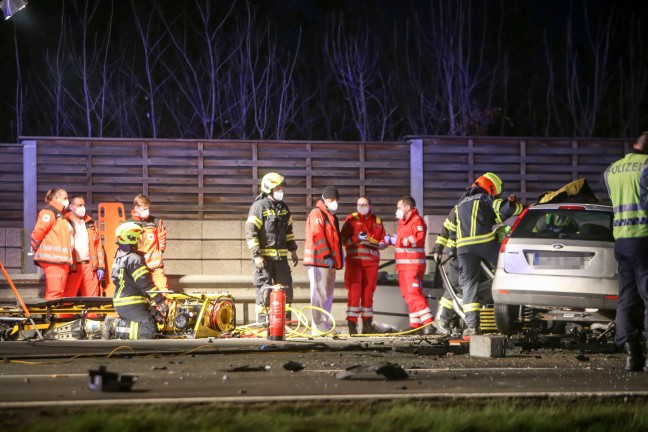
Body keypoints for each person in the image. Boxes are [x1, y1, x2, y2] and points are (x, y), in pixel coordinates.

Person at [454, 172, 524, 338]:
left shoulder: (460, 204)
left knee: (468, 286)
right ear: (490, 188)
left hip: (463, 249)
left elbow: (451, 227)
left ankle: (472, 327)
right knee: (508, 270)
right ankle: (517, 307)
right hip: (484, 242)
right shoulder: (486, 199)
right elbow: (504, 209)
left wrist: (447, 249)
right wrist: (516, 204)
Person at [604, 131, 648, 372]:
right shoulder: (647, 166)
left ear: (634, 146)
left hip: (621, 241)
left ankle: (632, 354)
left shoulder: (612, 170)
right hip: (644, 239)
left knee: (627, 298)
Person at [245, 172, 299, 323]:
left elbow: (288, 231)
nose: (281, 191)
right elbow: (251, 233)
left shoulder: (283, 208)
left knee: (286, 291)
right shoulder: (258, 207)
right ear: (269, 188)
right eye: (278, 188)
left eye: (281, 188)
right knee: (264, 291)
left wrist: (293, 250)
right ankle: (263, 324)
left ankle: (285, 323)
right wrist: (257, 255)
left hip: (281, 259)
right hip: (265, 260)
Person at [104, 222, 166, 340]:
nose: (140, 242)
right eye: (137, 238)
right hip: (131, 303)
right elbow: (145, 284)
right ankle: (115, 327)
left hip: (123, 302)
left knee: (152, 319)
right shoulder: (134, 259)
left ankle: (120, 326)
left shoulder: (119, 256)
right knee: (149, 330)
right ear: (131, 239)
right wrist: (160, 300)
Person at [386, 196, 433, 333]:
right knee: (407, 294)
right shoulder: (403, 223)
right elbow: (402, 241)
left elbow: (417, 239)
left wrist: (397, 240)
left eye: (399, 207)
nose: (397, 210)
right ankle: (415, 325)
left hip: (413, 265)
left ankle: (429, 322)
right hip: (403, 267)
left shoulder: (417, 221)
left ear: (407, 208)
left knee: (414, 293)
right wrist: (389, 240)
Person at [340, 196, 387, 335]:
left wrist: (384, 242)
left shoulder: (377, 221)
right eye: (359, 204)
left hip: (371, 264)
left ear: (370, 205)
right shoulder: (351, 219)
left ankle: (367, 324)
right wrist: (356, 238)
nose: (362, 206)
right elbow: (343, 241)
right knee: (354, 293)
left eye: (365, 204)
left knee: (368, 294)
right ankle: (352, 324)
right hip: (355, 262)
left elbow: (383, 238)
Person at [304, 186, 343, 335]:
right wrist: (326, 255)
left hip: (328, 262)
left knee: (326, 295)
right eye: (331, 199)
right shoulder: (317, 214)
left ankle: (325, 325)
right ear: (324, 199)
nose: (334, 202)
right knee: (319, 294)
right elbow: (317, 236)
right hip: (319, 261)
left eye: (336, 200)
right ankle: (318, 326)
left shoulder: (330, 216)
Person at [30, 188, 74, 300]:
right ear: (56, 198)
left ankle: (51, 316)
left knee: (57, 293)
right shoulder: (49, 211)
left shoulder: (60, 214)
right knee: (55, 294)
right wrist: (34, 248)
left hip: (60, 260)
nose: (67, 201)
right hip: (53, 260)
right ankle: (50, 317)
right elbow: (38, 232)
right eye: (65, 198)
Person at [64, 195, 106, 297]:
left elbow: (98, 246)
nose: (83, 208)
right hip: (72, 268)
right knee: (67, 301)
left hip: (90, 267)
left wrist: (101, 266)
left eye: (83, 205)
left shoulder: (90, 223)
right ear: (71, 207)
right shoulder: (64, 222)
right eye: (79, 205)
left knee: (92, 301)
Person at [128, 194, 168, 293]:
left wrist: (160, 252)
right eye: (145, 209)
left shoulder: (156, 222)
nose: (147, 211)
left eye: (148, 208)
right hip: (138, 268)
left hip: (155, 267)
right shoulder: (128, 224)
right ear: (136, 208)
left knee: (163, 292)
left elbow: (162, 237)